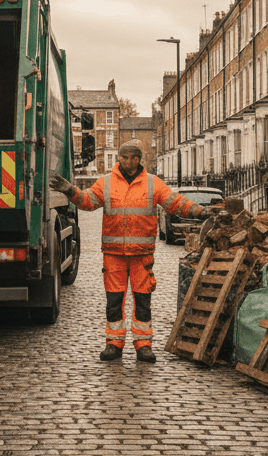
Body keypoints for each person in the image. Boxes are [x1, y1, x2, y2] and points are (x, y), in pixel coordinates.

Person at [50, 144, 218, 362]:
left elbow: (175, 203)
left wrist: (201, 211)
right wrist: (70, 190)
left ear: (140, 159)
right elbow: (88, 201)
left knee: (143, 301)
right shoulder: (107, 182)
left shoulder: (152, 183)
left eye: (133, 158)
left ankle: (143, 345)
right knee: (114, 300)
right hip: (114, 254)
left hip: (142, 256)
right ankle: (113, 344)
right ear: (119, 158)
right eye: (124, 157)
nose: (128, 162)